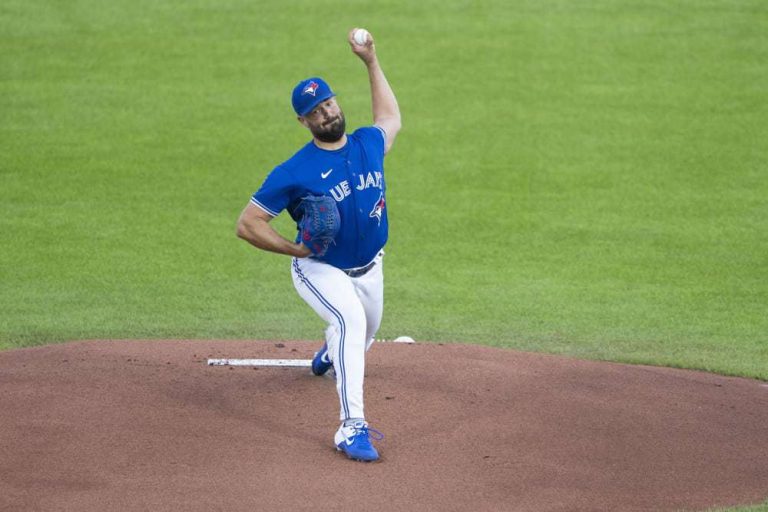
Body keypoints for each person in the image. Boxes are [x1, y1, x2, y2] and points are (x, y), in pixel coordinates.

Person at [235, 28, 401, 462]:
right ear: (304, 122)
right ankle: (351, 429)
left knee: (366, 332)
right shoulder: (294, 171)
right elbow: (247, 224)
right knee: (349, 321)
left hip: (370, 266)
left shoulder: (367, 143)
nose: (326, 113)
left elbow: (390, 119)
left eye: (328, 103)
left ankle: (330, 354)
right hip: (320, 268)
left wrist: (370, 61)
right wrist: (294, 251)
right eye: (315, 111)